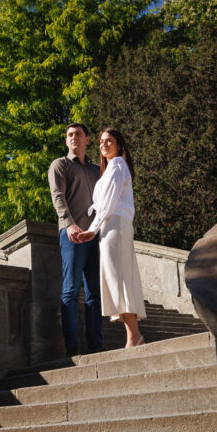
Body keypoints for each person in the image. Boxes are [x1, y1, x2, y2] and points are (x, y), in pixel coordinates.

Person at [83, 128, 146, 347]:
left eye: (109, 141)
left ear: (119, 144)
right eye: (101, 141)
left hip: (115, 224)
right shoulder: (110, 168)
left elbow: (109, 202)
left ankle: (134, 336)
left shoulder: (118, 164)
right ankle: (132, 335)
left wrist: (92, 228)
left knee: (119, 278)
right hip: (110, 226)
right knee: (117, 278)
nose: (104, 144)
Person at [48, 122, 103, 356]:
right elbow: (57, 196)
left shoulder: (96, 170)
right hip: (72, 235)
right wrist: (69, 224)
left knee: (94, 294)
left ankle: (96, 347)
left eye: (78, 134)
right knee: (70, 290)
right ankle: (71, 347)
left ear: (87, 139)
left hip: (95, 236)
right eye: (69, 135)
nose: (73, 138)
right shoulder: (59, 165)